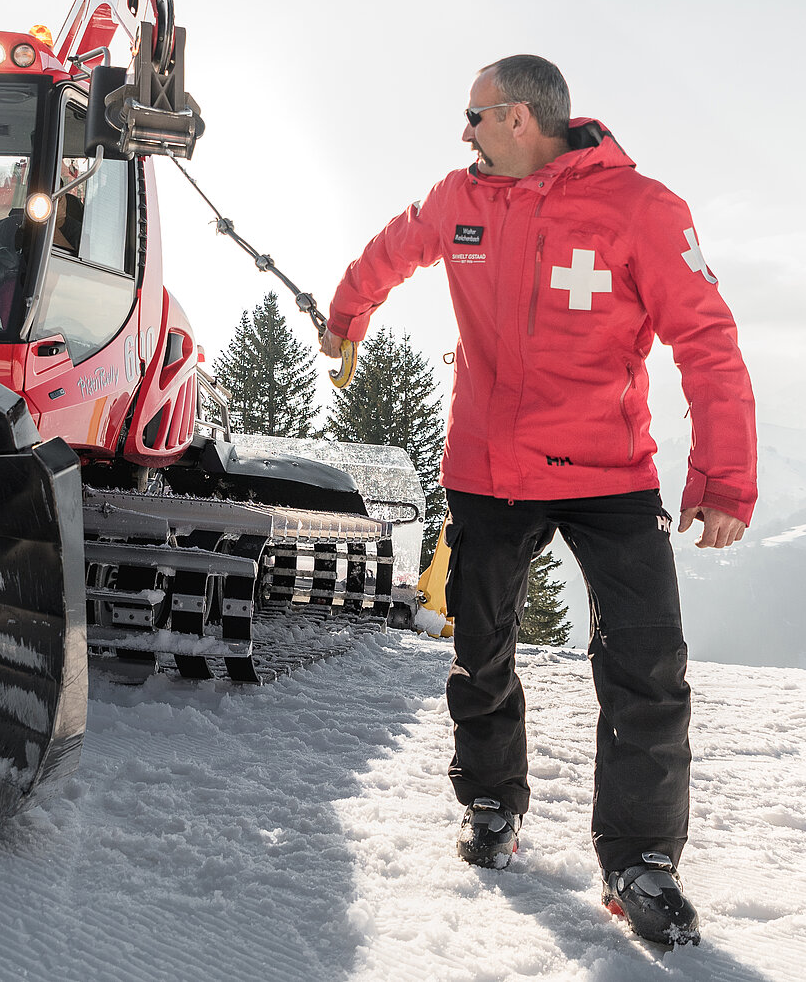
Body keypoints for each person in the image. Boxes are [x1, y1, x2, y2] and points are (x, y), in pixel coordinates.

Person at [320, 54, 755, 948]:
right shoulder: (459, 199)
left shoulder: (643, 209)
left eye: (474, 116)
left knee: (646, 665)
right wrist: (344, 320)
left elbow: (707, 341)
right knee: (479, 650)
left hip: (610, 476)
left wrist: (722, 479)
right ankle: (489, 801)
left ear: (523, 118)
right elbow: (389, 251)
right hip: (489, 471)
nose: (464, 132)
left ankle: (640, 862)